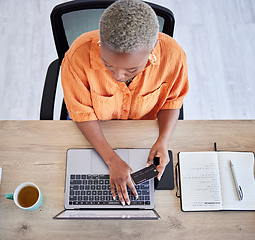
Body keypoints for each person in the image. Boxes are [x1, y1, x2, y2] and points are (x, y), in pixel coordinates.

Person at [61, 0, 188, 206]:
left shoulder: (173, 56)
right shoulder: (77, 56)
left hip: (143, 132)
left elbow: (172, 101)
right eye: (107, 64)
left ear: (152, 49)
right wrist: (111, 160)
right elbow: (81, 112)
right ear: (100, 42)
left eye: (131, 70)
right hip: (96, 131)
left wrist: (163, 140)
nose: (118, 75)